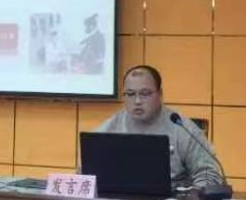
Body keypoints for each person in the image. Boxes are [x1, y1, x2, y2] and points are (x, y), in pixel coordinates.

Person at [95, 64, 223, 188]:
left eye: (145, 94)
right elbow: (89, 173)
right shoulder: (108, 129)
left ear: (160, 94)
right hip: (121, 198)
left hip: (172, 199)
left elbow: (209, 174)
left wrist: (190, 197)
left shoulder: (182, 128)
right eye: (130, 94)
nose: (137, 101)